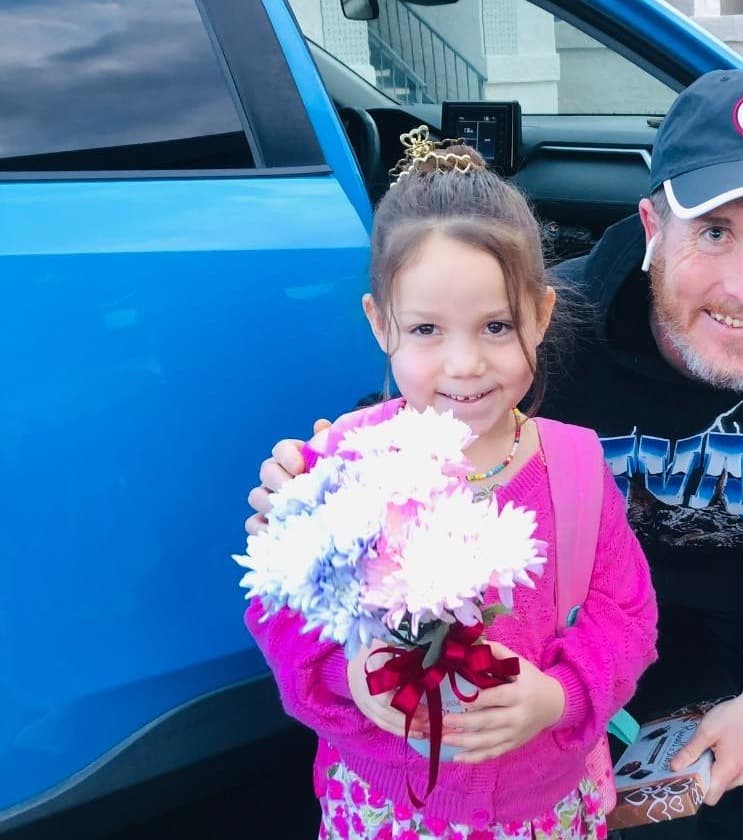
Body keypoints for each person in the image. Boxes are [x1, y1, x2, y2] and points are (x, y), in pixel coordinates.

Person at [249, 71, 743, 839]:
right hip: (575, 605)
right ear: (652, 227)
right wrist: (322, 482)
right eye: (713, 232)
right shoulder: (551, 339)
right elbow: (438, 412)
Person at [244, 132, 658, 840]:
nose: (465, 364)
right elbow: (283, 614)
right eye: (427, 329)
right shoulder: (342, 464)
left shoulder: (577, 470)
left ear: (542, 314)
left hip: (542, 806)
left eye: (497, 325)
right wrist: (353, 678)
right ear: (381, 324)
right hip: (391, 808)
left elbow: (628, 617)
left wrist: (557, 697)